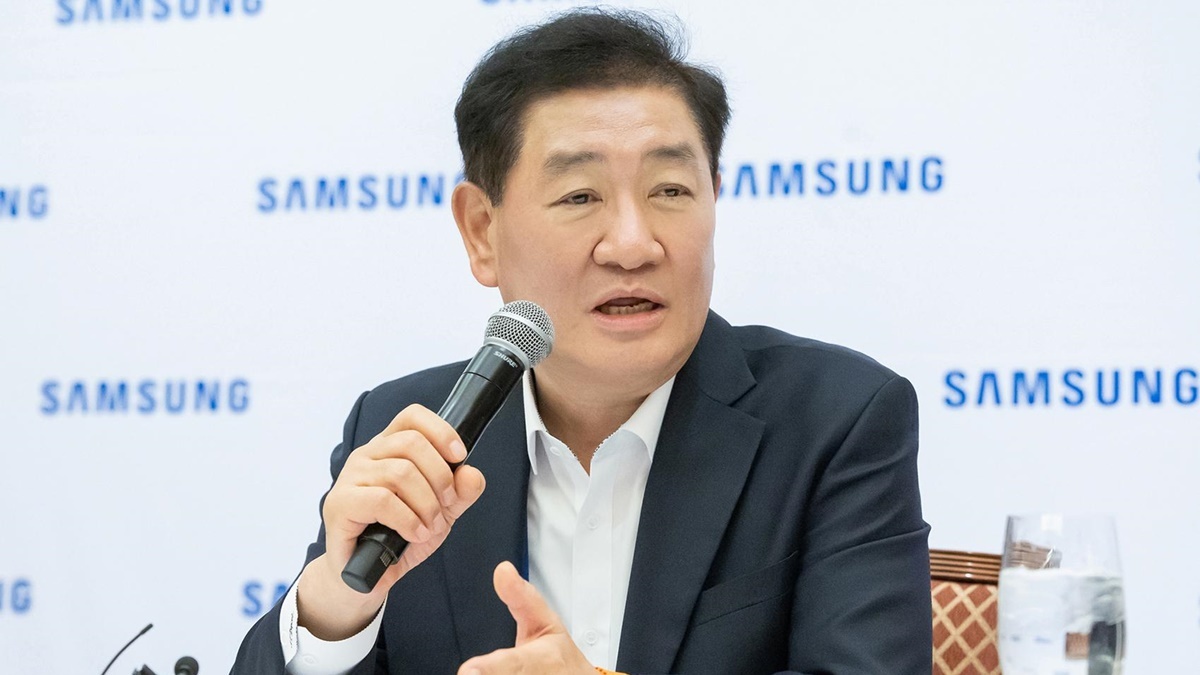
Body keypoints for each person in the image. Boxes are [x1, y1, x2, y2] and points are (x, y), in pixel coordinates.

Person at [232, 8, 931, 675]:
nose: (633, 244)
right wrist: (335, 604)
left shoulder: (835, 421)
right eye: (579, 197)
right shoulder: (410, 431)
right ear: (481, 231)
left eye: (670, 190)